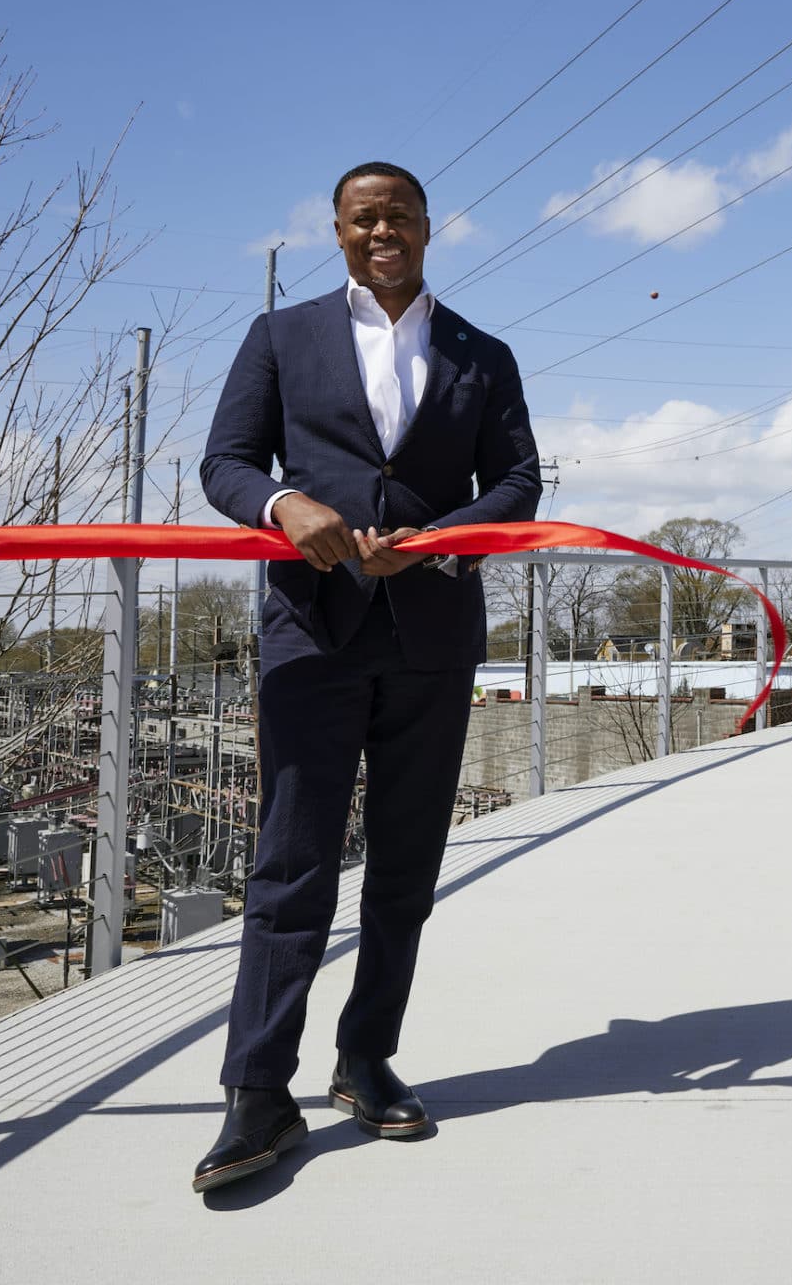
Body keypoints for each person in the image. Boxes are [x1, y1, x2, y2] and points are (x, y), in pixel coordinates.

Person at [193, 161, 542, 1193]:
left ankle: (365, 1058)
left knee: (404, 870)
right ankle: (258, 1092)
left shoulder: (485, 352)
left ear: (430, 227)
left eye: (398, 215)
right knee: (291, 868)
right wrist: (282, 507)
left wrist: (442, 537)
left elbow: (518, 479)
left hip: (432, 634)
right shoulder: (280, 337)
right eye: (361, 218)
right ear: (336, 231)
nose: (380, 229)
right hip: (314, 632)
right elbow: (224, 461)